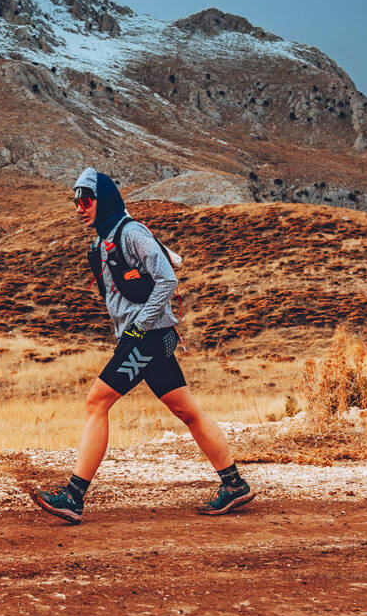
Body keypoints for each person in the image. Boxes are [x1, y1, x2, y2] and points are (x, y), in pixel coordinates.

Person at [30, 167, 254, 524]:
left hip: (147, 338)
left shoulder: (131, 232)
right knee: (188, 412)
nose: (79, 208)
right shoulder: (104, 241)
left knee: (96, 401)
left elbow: (167, 279)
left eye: (85, 200)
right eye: (75, 201)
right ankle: (234, 484)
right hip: (151, 337)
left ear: (103, 201)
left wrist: (138, 327)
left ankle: (73, 497)